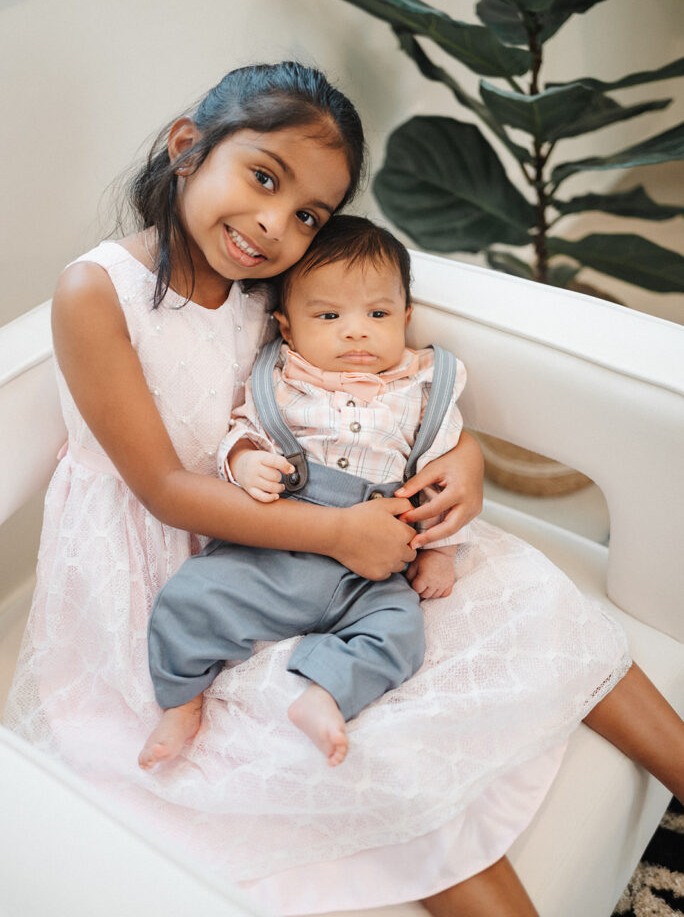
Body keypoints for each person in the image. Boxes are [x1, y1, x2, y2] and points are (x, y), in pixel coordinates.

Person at [5, 60, 683, 917]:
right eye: (261, 177)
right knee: (368, 755)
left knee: (523, 588)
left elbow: (378, 376)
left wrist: (463, 462)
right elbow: (167, 490)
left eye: (306, 214)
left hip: (320, 515)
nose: (271, 224)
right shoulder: (97, 291)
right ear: (188, 148)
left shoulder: (275, 286)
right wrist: (338, 536)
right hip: (177, 567)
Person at [141, 216, 469, 770]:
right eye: (329, 315)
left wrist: (439, 550)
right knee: (189, 599)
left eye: (379, 315)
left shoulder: (422, 389)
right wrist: (245, 463)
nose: (356, 331)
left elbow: (441, 482)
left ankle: (325, 694)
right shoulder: (281, 379)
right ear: (287, 328)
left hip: (372, 566)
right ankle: (182, 700)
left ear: (405, 319)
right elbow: (243, 429)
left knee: (400, 634)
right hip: (276, 546)